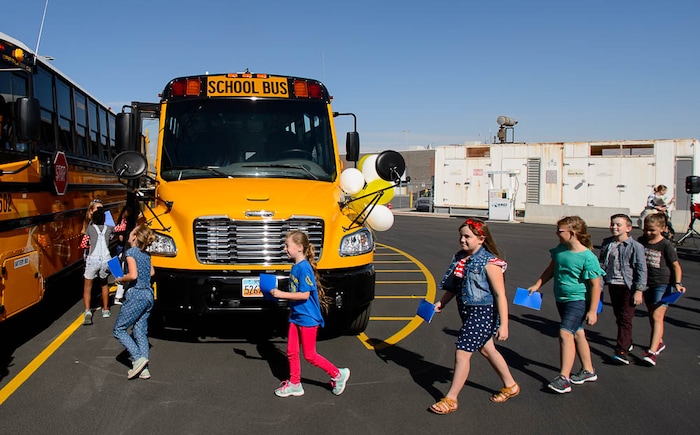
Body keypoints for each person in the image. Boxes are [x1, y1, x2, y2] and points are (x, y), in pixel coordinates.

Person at [429, 218, 519, 415]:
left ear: (481, 239)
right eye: (461, 236)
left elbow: (500, 295)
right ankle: (511, 385)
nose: (462, 240)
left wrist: (504, 324)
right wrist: (442, 302)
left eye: (467, 236)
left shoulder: (489, 262)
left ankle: (451, 399)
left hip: (483, 313)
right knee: (487, 350)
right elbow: (455, 286)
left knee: (462, 352)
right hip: (468, 312)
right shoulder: (461, 258)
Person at [269, 230, 350, 397]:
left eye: (287, 246)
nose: (285, 249)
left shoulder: (304, 268)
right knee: (291, 351)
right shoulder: (296, 267)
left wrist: (281, 294)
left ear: (299, 247)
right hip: (296, 316)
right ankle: (295, 383)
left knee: (310, 355)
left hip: (307, 318)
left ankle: (337, 374)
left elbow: (304, 295)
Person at [528, 216, 604, 394]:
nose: (557, 234)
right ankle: (588, 370)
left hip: (578, 300)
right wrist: (537, 284)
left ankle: (564, 378)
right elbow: (551, 270)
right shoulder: (560, 250)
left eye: (560, 231)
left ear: (573, 233)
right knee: (577, 332)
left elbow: (595, 285)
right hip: (561, 299)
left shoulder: (587, 257)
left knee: (565, 333)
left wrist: (593, 310)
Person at [638, 213, 686, 366]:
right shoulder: (641, 242)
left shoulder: (666, 245)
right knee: (652, 314)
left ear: (662, 229)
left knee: (658, 315)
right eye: (645, 229)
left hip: (663, 284)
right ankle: (659, 342)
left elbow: (675, 266)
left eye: (652, 230)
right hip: (646, 283)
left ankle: (652, 352)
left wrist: (677, 283)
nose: (648, 233)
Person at [599, 214, 647, 364]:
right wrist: (598, 286)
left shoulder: (636, 247)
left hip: (628, 287)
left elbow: (641, 269)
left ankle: (621, 350)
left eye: (618, 225)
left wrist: (639, 290)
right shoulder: (607, 244)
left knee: (626, 317)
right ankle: (628, 341)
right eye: (612, 224)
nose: (614, 227)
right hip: (613, 284)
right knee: (619, 316)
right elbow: (601, 266)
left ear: (628, 228)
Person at [113, 224, 156, 379]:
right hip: (148, 295)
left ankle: (138, 359)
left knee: (119, 329)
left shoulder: (131, 253)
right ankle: (144, 370)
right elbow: (152, 272)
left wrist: (120, 278)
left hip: (136, 294)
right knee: (140, 331)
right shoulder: (146, 254)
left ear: (134, 237)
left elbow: (132, 275)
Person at [82, 207, 113, 325]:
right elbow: (114, 226)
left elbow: (84, 241)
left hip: (93, 259)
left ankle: (87, 311)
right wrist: (107, 213)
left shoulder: (90, 228)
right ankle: (105, 309)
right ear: (104, 219)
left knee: (87, 287)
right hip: (106, 259)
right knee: (104, 284)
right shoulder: (109, 228)